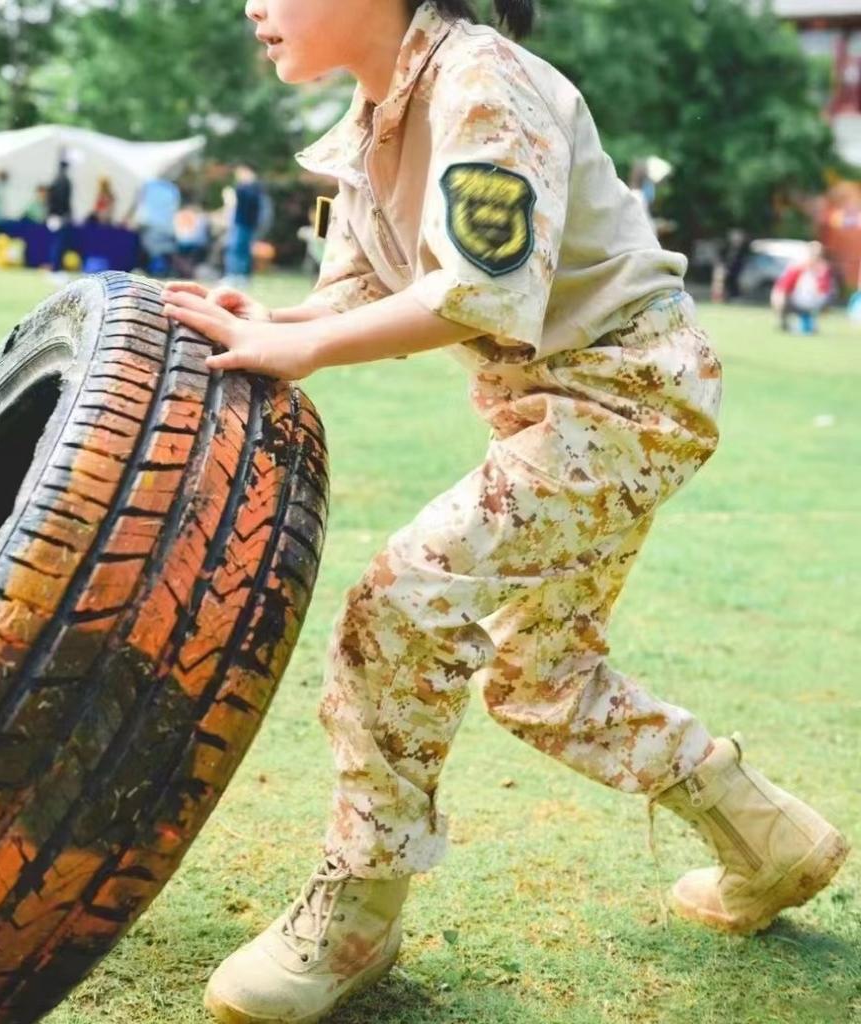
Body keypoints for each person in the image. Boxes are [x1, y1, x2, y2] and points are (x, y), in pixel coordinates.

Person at [161, 3, 850, 1023]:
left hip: (623, 398)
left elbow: (481, 291)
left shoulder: (482, 80)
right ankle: (770, 839)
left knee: (399, 604)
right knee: (544, 683)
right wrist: (282, 322)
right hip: (562, 408)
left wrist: (303, 353)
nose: (252, 4)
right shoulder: (372, 116)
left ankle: (356, 910)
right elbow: (351, 290)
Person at [771, 242, 836, 334]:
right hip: (796, 301)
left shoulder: (823, 270)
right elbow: (783, 287)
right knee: (779, 297)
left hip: (814, 303)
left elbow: (825, 291)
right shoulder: (797, 268)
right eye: (813, 254)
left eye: (818, 255)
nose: (816, 257)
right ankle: (784, 322)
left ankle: (810, 321)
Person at [223, 163, 264, 283]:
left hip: (245, 223)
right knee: (237, 249)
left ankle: (238, 275)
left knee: (239, 249)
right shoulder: (246, 187)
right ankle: (235, 275)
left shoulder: (252, 187)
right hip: (241, 223)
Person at [135, 176, 181, 275]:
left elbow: (138, 204)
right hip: (165, 228)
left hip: (149, 226)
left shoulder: (146, 184)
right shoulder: (173, 188)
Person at [47, 159, 74, 272]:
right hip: (61, 215)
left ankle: (55, 266)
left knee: (56, 242)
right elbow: (65, 201)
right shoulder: (65, 181)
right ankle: (56, 266)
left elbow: (51, 200)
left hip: (55, 215)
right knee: (59, 242)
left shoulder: (55, 180)